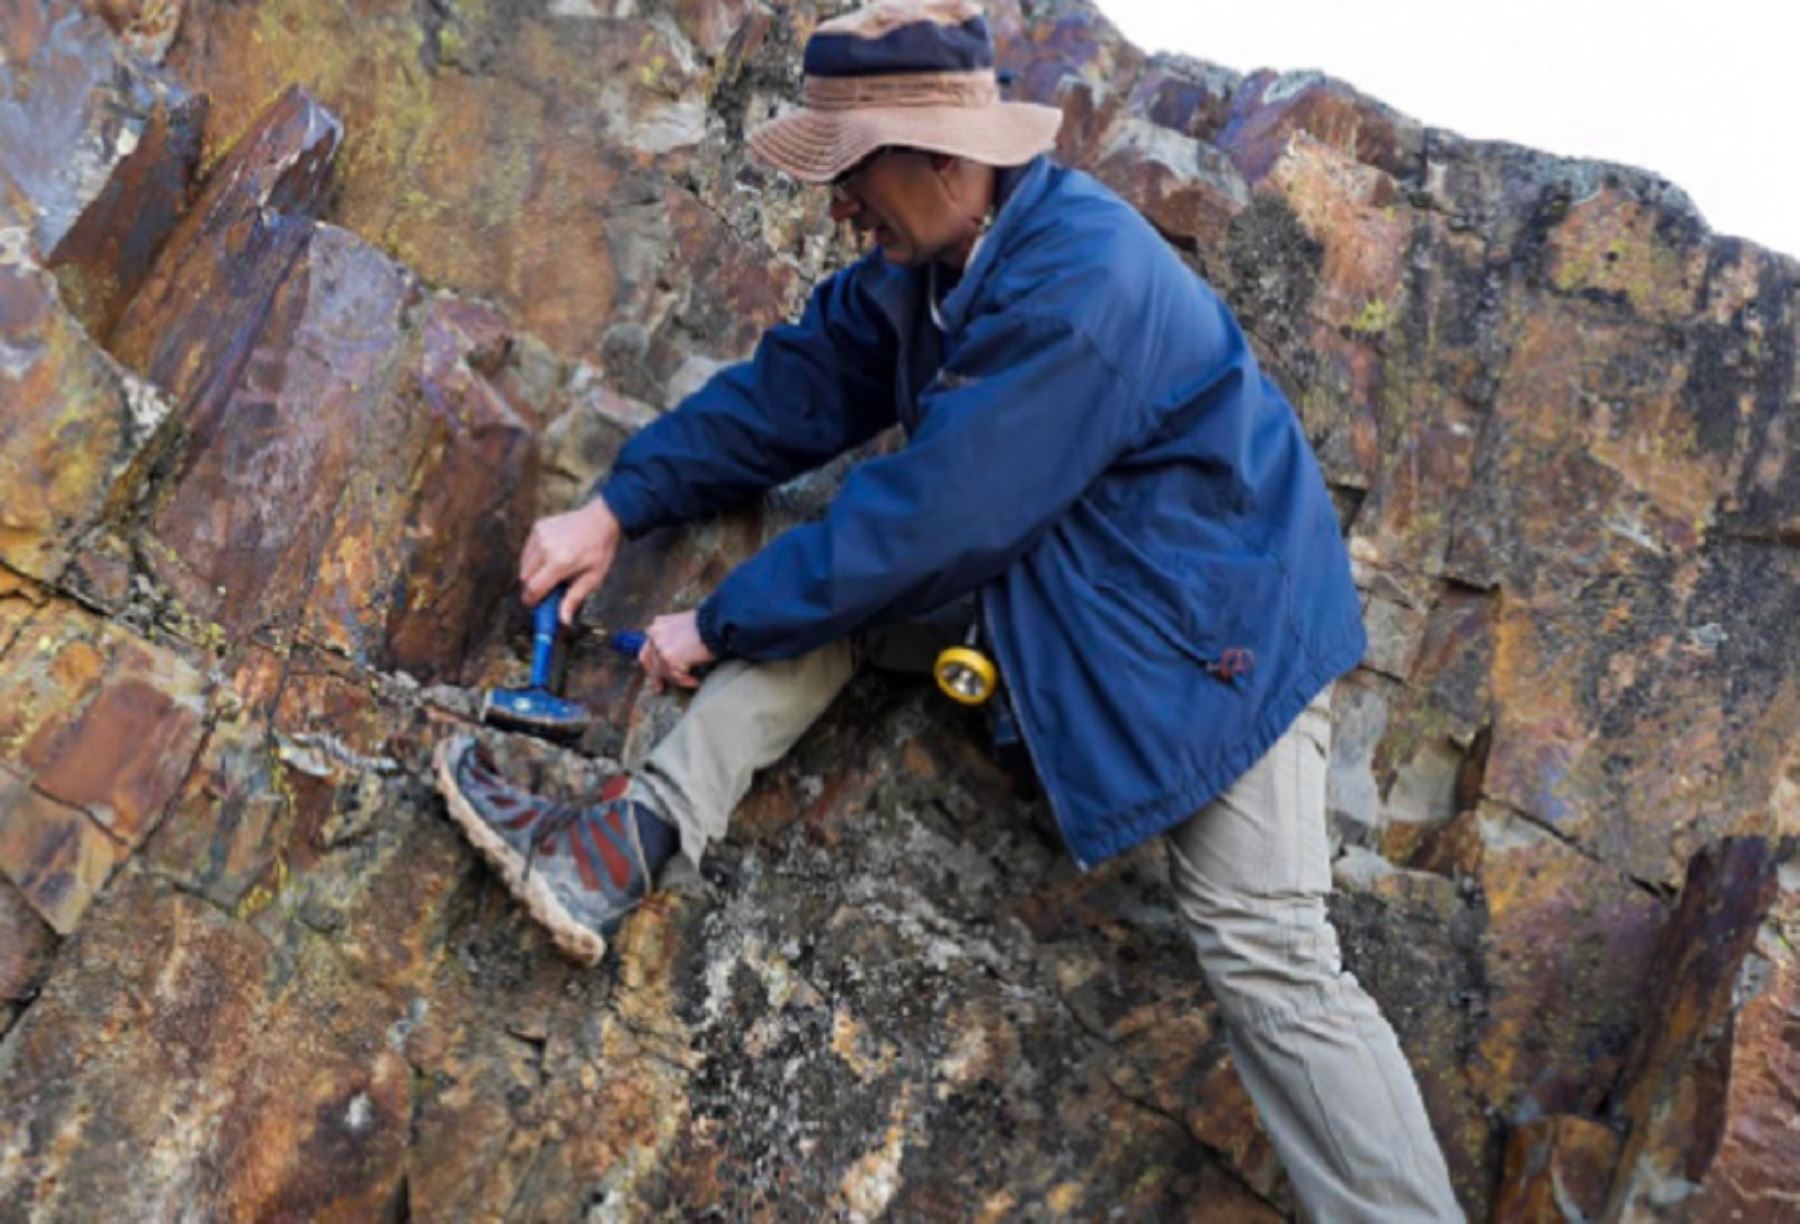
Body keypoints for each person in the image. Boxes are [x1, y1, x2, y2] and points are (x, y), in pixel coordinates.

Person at [432, 1, 1462, 1216]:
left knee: (1270, 956)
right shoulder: (930, 265)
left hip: (1216, 640)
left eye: (851, 171)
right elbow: (796, 389)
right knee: (838, 592)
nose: (837, 206)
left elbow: (934, 522)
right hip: (1066, 582)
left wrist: (712, 626)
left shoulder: (1086, 281)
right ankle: (618, 849)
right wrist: (618, 507)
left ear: (945, 160)